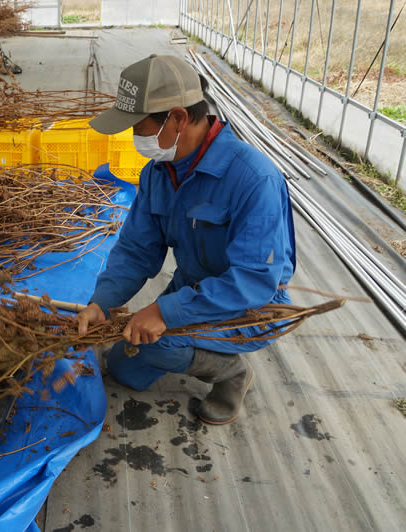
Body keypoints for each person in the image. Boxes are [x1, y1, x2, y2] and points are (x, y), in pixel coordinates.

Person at [77, 54, 296, 425]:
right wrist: (102, 303)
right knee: (124, 367)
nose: (135, 139)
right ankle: (184, 347)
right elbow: (136, 249)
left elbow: (254, 281)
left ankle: (231, 373)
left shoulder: (254, 179)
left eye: (140, 127)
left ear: (177, 118)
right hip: (193, 288)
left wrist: (165, 312)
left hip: (249, 306)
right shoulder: (158, 173)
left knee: (157, 341)